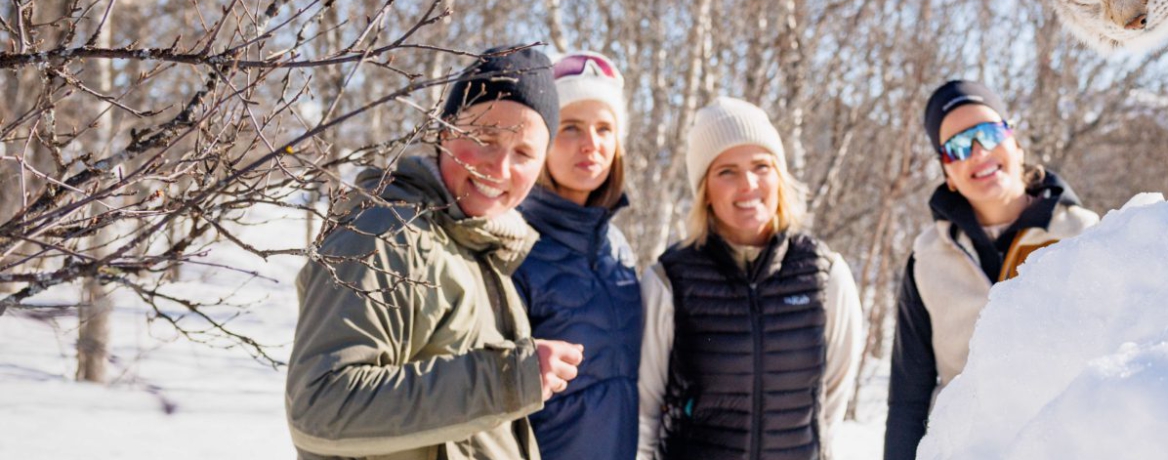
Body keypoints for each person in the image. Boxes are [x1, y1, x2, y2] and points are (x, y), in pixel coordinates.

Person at [287, 46, 584, 460]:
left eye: (524, 154)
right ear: (444, 132)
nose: (499, 169)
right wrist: (508, 380)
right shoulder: (385, 234)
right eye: (485, 138)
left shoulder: (474, 244)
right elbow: (319, 407)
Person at [637, 97, 866, 460]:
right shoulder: (670, 280)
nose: (748, 184)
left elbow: (831, 399)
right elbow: (645, 410)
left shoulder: (825, 274)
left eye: (761, 166)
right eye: (726, 171)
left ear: (779, 176)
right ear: (705, 191)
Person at [883, 80, 1101, 460]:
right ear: (947, 172)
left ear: (1014, 141)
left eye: (987, 132)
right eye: (957, 147)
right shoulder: (928, 258)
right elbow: (908, 399)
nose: (978, 152)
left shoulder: (1084, 235)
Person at [512, 52, 644, 460]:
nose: (592, 144)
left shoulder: (617, 248)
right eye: (571, 128)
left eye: (605, 129)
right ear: (542, 138)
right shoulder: (514, 245)